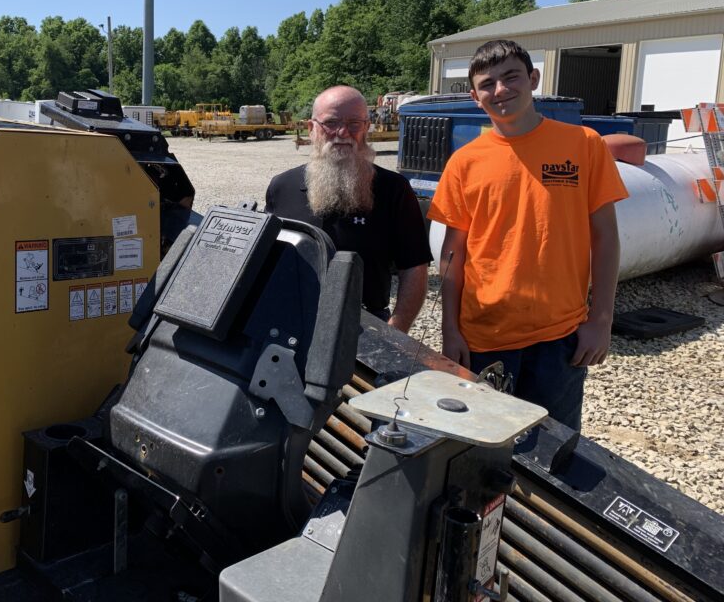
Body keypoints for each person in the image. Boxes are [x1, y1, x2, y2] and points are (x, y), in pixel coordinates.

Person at [427, 40, 628, 430]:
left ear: (533, 79)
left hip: (560, 337)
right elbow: (453, 254)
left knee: (553, 447)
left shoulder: (583, 145)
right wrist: (450, 329)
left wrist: (601, 319)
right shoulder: (465, 162)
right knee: (483, 443)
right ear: (475, 97)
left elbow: (605, 237)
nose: (500, 90)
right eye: (487, 84)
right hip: (484, 336)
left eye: (511, 77)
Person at [265, 85, 430, 332]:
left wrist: (396, 329)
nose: (342, 133)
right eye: (331, 123)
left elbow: (414, 266)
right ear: (311, 128)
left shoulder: (393, 189)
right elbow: (266, 258)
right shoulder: (282, 186)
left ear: (366, 127)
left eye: (354, 124)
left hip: (364, 326)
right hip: (290, 323)